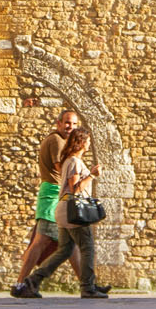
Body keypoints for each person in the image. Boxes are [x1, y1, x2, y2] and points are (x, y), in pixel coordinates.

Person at [12, 126, 108, 299]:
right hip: (73, 213)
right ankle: (88, 287)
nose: (89, 144)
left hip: (64, 212)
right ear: (81, 142)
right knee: (87, 248)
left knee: (64, 251)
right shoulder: (73, 162)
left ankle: (33, 281)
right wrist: (92, 175)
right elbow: (75, 190)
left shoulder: (71, 161)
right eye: (87, 141)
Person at [9, 109, 83, 293]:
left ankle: (87, 284)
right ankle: (21, 284)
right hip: (53, 195)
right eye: (67, 123)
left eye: (74, 124)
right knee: (41, 241)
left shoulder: (62, 142)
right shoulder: (56, 141)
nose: (70, 127)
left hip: (56, 194)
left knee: (70, 244)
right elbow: (63, 169)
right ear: (58, 123)